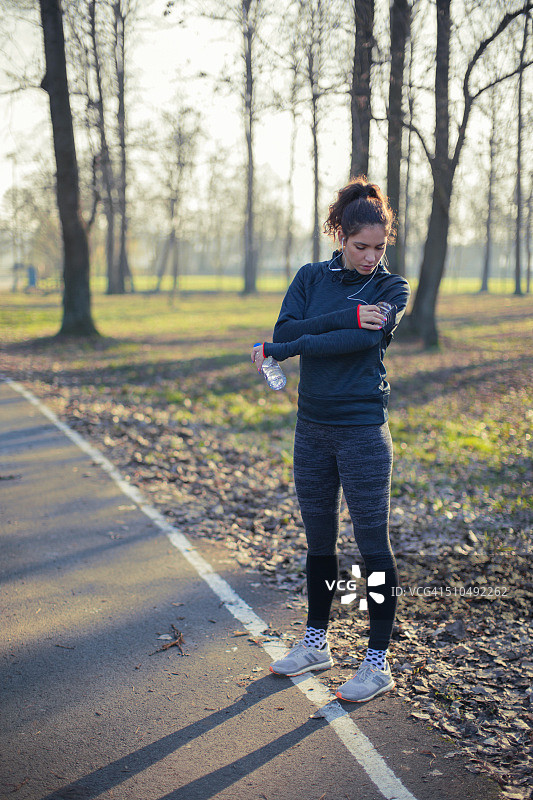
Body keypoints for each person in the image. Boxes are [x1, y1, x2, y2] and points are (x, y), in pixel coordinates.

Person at [251, 177, 410, 703]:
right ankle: (316, 643)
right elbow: (288, 330)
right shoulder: (309, 276)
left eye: (379, 248)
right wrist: (329, 322)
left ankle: (377, 661)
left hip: (363, 431)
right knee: (319, 541)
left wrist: (292, 342)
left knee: (372, 547)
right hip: (311, 428)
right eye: (361, 246)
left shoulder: (393, 289)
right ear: (340, 234)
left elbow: (351, 339)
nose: (371, 257)